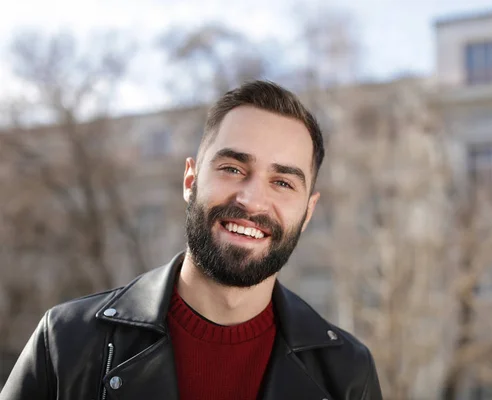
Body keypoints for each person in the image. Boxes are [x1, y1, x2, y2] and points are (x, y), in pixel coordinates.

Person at [0, 80, 382, 400]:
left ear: (308, 211)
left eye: (282, 182)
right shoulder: (66, 342)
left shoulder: (348, 372)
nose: (251, 200)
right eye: (232, 168)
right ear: (190, 180)